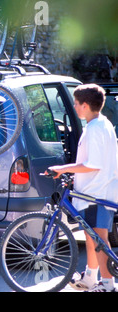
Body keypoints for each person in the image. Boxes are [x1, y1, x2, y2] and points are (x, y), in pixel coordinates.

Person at [49, 84, 118, 292]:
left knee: (99, 239)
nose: (75, 107)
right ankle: (89, 278)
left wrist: (63, 168)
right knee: (91, 236)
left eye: (77, 104)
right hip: (93, 191)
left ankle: (107, 285)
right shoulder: (99, 124)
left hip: (98, 193)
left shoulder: (96, 129)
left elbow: (93, 164)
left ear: (85, 105)